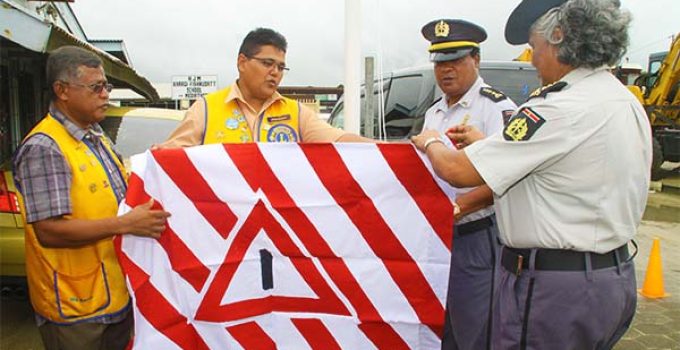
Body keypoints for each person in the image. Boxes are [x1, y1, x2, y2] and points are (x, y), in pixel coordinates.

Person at [412, 0, 650, 348]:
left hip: (554, 289)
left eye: (534, 48)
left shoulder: (557, 108)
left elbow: (457, 171)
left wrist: (431, 140)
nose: (534, 61)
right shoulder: (622, 99)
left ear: (558, 37)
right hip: (608, 276)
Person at [13, 46, 171, 350]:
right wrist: (125, 224)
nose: (105, 94)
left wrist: (156, 165)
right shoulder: (46, 148)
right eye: (95, 87)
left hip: (114, 294)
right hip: (76, 307)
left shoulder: (95, 137)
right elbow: (49, 231)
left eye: (106, 86)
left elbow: (120, 193)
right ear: (62, 91)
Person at [420, 19, 517, 350]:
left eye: (456, 60)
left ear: (476, 59)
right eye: (440, 62)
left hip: (474, 238)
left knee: (474, 331)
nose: (446, 70)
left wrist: (459, 208)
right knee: (437, 325)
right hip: (436, 238)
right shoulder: (434, 113)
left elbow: (509, 175)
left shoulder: (496, 108)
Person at [159, 27, 369, 147]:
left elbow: (340, 140)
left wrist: (391, 151)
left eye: (281, 67)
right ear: (242, 62)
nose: (275, 72)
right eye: (268, 64)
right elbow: (171, 161)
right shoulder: (205, 109)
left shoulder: (295, 113)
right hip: (225, 221)